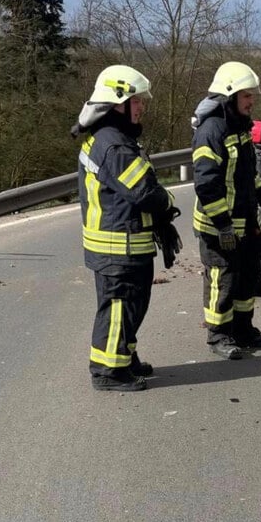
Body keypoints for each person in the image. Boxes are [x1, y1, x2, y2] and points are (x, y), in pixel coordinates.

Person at [72, 65, 178, 391]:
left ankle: (123, 356)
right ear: (118, 103)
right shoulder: (114, 145)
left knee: (132, 304)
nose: (141, 106)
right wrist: (167, 202)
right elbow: (143, 191)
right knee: (120, 305)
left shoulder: (112, 138)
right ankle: (108, 372)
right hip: (118, 246)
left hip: (121, 243)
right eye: (136, 101)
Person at [191, 61, 261, 359]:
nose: (252, 102)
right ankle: (218, 335)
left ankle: (242, 329)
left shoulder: (240, 127)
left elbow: (247, 172)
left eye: (252, 96)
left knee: (247, 276)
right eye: (247, 96)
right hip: (219, 226)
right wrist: (223, 224)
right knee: (222, 279)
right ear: (229, 96)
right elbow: (207, 184)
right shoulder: (212, 130)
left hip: (244, 222)